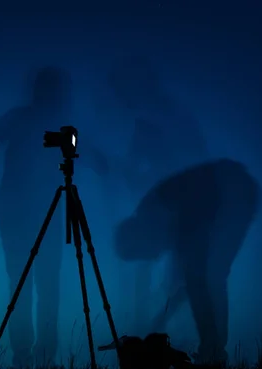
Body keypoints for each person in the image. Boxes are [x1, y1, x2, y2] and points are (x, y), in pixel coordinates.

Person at [0, 66, 108, 369]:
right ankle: (31, 357)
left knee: (36, 284)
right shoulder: (27, 120)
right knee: (34, 284)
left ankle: (35, 357)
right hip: (18, 213)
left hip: (32, 213)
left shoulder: (42, 123)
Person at [113, 158, 261, 363]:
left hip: (232, 192)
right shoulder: (159, 216)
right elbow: (187, 280)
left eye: (144, 253)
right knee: (211, 276)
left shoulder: (159, 215)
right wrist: (162, 317)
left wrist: (162, 318)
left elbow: (193, 277)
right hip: (236, 191)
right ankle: (213, 351)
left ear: (138, 237)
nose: (155, 258)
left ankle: (212, 352)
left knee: (212, 276)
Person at [105, 55, 209, 334]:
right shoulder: (149, 121)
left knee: (179, 274)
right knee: (158, 275)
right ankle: (152, 333)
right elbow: (135, 165)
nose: (122, 99)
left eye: (123, 91)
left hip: (177, 213)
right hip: (159, 213)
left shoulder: (167, 117)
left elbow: (193, 160)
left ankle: (172, 334)